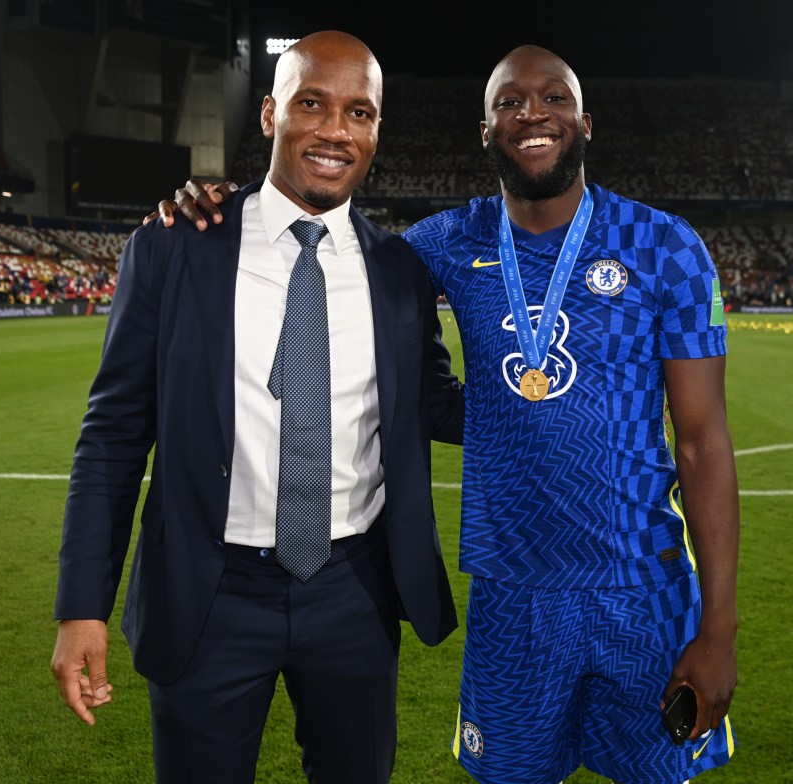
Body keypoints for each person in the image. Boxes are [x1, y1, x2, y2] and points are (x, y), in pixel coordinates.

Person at [158, 44, 740, 784]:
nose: (532, 113)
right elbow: (325, 254)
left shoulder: (666, 247)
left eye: (554, 99)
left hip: (644, 590)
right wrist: (212, 202)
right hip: (511, 593)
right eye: (510, 103)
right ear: (486, 131)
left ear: (585, 123)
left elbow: (702, 442)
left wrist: (718, 626)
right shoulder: (443, 243)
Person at [51, 30, 464, 784]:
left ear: (376, 131)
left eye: (359, 113)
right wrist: (82, 606)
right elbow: (112, 433)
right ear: (271, 114)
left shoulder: (399, 272)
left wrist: (571, 392)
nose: (336, 129)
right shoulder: (178, 243)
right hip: (207, 594)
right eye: (314, 104)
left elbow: (438, 404)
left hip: (355, 590)